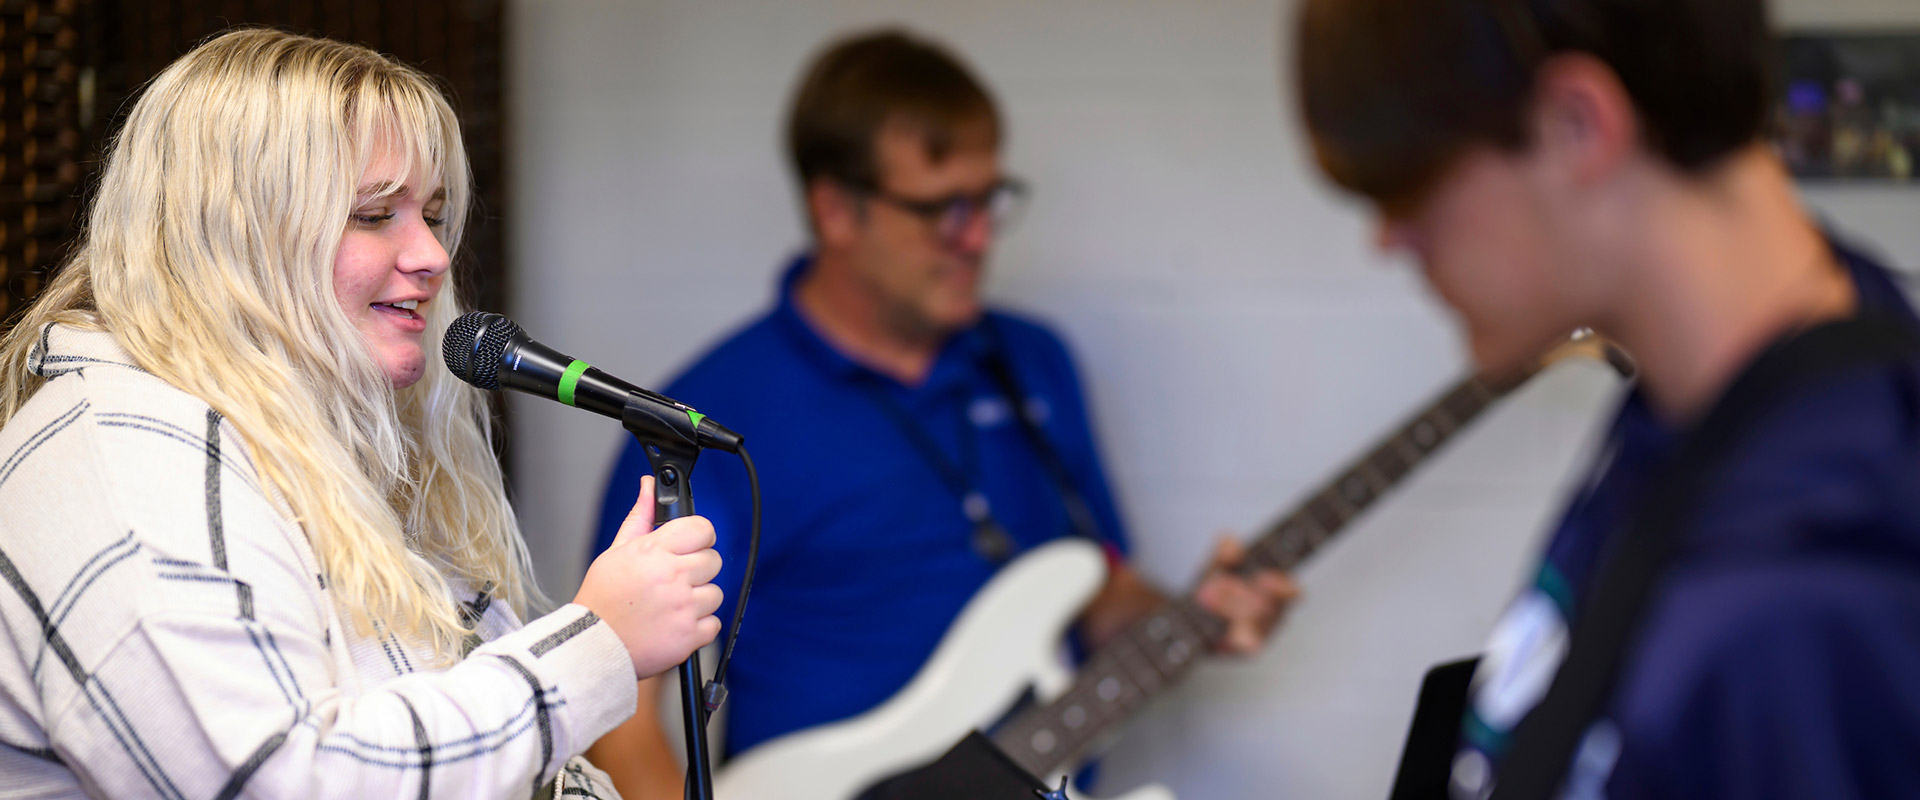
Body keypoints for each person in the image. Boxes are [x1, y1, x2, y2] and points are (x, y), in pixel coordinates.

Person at [0, 29, 721, 798]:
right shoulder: (129, 467)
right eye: (376, 215)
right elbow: (277, 780)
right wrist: (597, 645)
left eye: (433, 214)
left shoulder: (294, 440)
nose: (434, 256)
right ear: (235, 236)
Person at [587, 28, 1299, 798]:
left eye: (990, 199)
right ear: (836, 210)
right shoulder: (704, 419)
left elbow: (1098, 595)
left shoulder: (1035, 363)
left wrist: (1197, 615)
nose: (979, 237)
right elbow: (617, 713)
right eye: (941, 209)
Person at [1296, 0, 1920, 797]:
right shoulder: (1708, 409)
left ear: (1576, 124)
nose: (1388, 241)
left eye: (1404, 186)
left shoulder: (1814, 606)